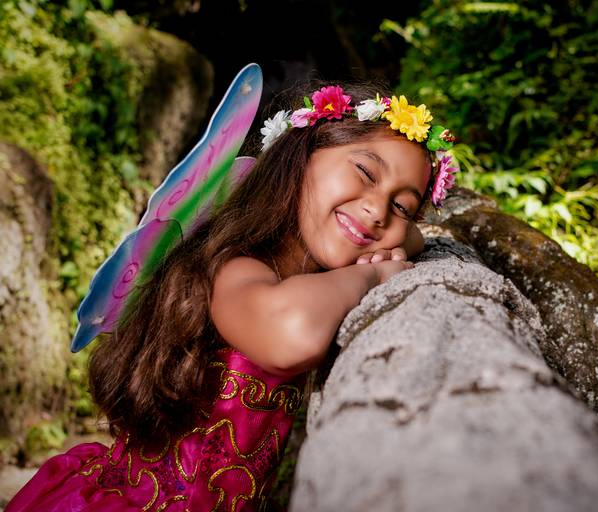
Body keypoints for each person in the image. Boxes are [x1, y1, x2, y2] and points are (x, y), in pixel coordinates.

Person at [6, 75, 459, 511]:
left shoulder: (333, 247)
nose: (377, 210)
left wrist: (398, 237)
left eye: (402, 205)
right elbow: (293, 335)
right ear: (299, 156)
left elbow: (409, 235)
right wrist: (375, 276)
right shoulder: (235, 268)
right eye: (364, 171)